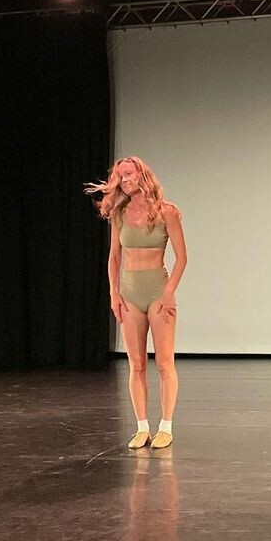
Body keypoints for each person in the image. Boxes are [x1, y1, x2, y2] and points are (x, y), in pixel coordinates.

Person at [84, 157, 187, 449]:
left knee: (164, 362)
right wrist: (114, 293)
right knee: (136, 365)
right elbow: (114, 257)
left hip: (157, 289)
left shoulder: (167, 212)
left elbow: (182, 258)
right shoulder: (119, 213)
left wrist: (169, 292)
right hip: (130, 292)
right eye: (120, 176)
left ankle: (165, 427)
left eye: (128, 174)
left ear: (142, 174)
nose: (124, 180)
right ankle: (142, 427)